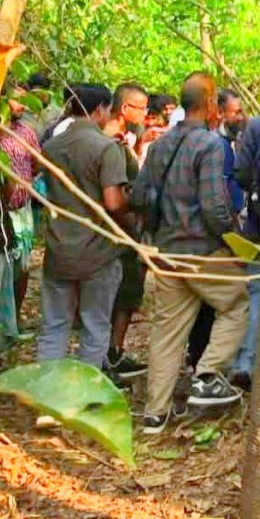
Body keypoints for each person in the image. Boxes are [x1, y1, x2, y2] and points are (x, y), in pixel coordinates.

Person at [131, 72, 247, 434]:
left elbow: (138, 196)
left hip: (167, 253)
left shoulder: (161, 144)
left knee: (167, 333)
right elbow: (214, 205)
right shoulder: (210, 145)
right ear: (212, 104)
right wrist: (233, 241)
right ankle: (207, 375)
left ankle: (155, 413)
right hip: (202, 254)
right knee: (239, 303)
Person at [38, 84, 129, 367]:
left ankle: (47, 403)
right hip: (97, 252)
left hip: (58, 250)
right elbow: (113, 203)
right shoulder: (106, 148)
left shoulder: (50, 147)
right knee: (95, 327)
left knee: (54, 327)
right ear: (100, 109)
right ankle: (86, 402)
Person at [185, 88, 246, 368]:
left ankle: (199, 359)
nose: (241, 117)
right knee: (223, 303)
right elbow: (217, 198)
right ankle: (205, 366)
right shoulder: (216, 146)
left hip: (198, 236)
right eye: (236, 112)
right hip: (210, 237)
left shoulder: (225, 144)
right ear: (219, 112)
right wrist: (230, 236)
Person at [0, 83, 39, 358]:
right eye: (17, 100)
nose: (22, 106)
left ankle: (6, 326)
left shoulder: (25, 130)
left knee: (17, 269)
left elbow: (38, 162)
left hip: (17, 211)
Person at [102, 82, 149, 383]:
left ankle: (114, 352)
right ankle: (108, 357)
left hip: (125, 236)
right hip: (118, 237)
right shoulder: (111, 147)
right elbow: (115, 201)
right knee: (118, 297)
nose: (146, 113)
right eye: (141, 107)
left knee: (127, 297)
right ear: (125, 109)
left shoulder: (121, 142)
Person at [231, 111, 260, 386]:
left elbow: (240, 173)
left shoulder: (257, 126)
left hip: (259, 220)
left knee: (255, 290)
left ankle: (246, 361)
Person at [25, 72, 62, 140]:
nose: (43, 94)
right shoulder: (21, 112)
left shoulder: (58, 113)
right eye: (39, 90)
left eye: (46, 90)